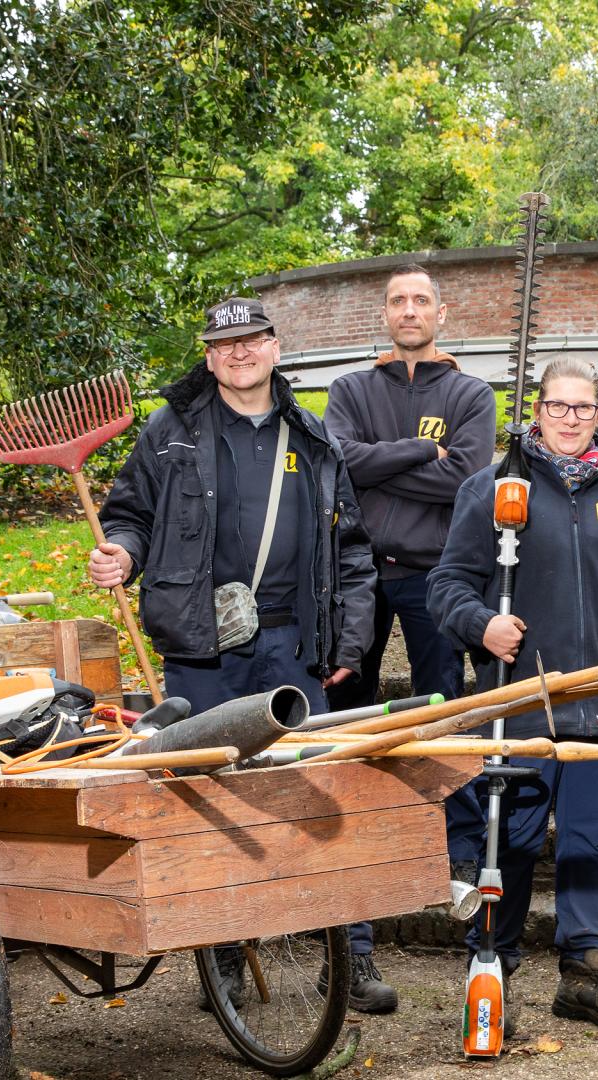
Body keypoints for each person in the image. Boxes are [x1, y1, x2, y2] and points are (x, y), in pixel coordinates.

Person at [89, 296, 380, 1008]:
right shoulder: (172, 432)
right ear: (209, 355)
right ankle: (220, 954)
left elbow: (352, 551)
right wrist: (121, 556)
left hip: (292, 648)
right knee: (206, 803)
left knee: (316, 798)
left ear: (276, 348)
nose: (239, 353)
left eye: (251, 340)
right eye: (224, 345)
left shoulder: (313, 439)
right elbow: (129, 513)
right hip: (203, 648)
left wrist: (349, 637)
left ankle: (350, 959)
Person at [428, 357, 598, 1033]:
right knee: (505, 843)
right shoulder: (493, 489)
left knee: (588, 845)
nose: (570, 419)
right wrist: (482, 624)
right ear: (537, 411)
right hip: (517, 707)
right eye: (558, 406)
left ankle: (582, 972)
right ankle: (494, 967)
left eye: (584, 408)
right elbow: (447, 585)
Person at [321, 265, 495, 1012]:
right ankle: (351, 918)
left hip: (434, 576)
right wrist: (422, 454)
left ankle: (455, 859)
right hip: (357, 573)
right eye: (398, 300)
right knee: (350, 726)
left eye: (421, 299)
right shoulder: (351, 390)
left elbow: (468, 482)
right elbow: (337, 468)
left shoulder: (470, 394)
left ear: (441, 313)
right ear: (385, 315)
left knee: (442, 717)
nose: (410, 310)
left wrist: (382, 468)